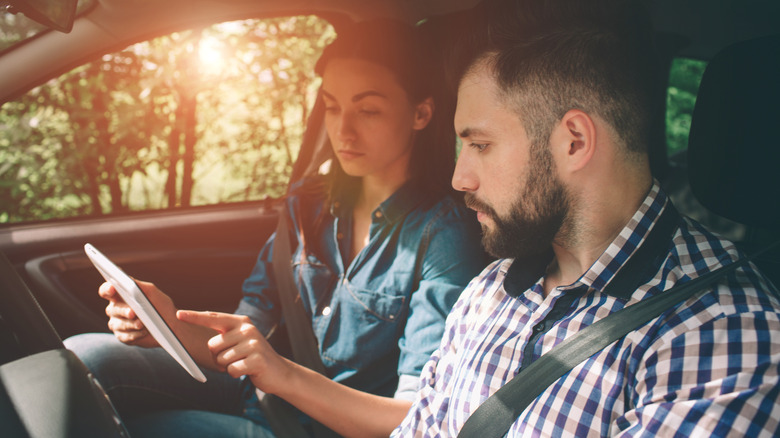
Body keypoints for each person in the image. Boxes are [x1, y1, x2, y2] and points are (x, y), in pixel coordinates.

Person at [64, 19, 487, 438]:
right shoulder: (309, 203)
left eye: (368, 110)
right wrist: (169, 327)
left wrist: (282, 374)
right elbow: (250, 326)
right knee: (80, 359)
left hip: (318, 428)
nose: (343, 130)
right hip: (260, 393)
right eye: (333, 107)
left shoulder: (443, 238)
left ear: (421, 114)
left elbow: (412, 417)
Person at [392, 0, 780, 436]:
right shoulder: (488, 292)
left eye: (480, 145)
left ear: (574, 141)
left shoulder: (721, 339)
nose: (460, 178)